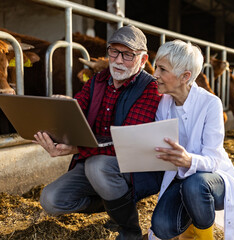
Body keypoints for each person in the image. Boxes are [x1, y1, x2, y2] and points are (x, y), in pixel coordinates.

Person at [33, 25, 162, 240]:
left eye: (128, 55)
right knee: (51, 199)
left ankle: (130, 231)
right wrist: (59, 121)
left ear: (142, 59)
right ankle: (114, 204)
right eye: (114, 51)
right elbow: (78, 112)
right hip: (95, 162)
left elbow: (127, 143)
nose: (118, 60)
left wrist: (76, 147)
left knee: (97, 165)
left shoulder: (150, 89)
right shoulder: (98, 80)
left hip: (132, 169)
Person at [148, 40, 234, 240]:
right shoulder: (163, 104)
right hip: (180, 179)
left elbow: (213, 160)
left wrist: (189, 160)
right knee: (162, 227)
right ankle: (189, 228)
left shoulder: (210, 104)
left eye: (162, 69)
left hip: (214, 180)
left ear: (185, 76)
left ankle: (203, 236)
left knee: (195, 185)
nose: (155, 74)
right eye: (156, 66)